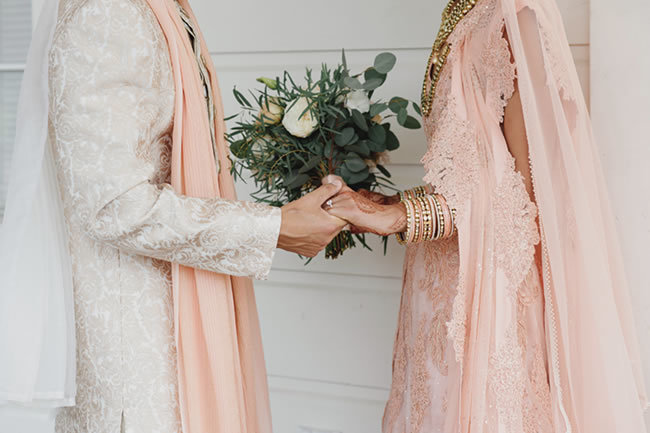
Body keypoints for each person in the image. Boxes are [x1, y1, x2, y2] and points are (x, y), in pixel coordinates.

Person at [0, 0, 345, 432]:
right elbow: (114, 205)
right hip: (141, 375)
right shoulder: (109, 14)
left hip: (177, 346)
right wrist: (272, 228)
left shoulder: (160, 8)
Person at [325, 0, 649, 431]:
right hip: (441, 301)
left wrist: (406, 216)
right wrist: (381, 205)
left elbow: (524, 202)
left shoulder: (515, 16)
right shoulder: (464, 11)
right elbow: (469, 170)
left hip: (488, 310)